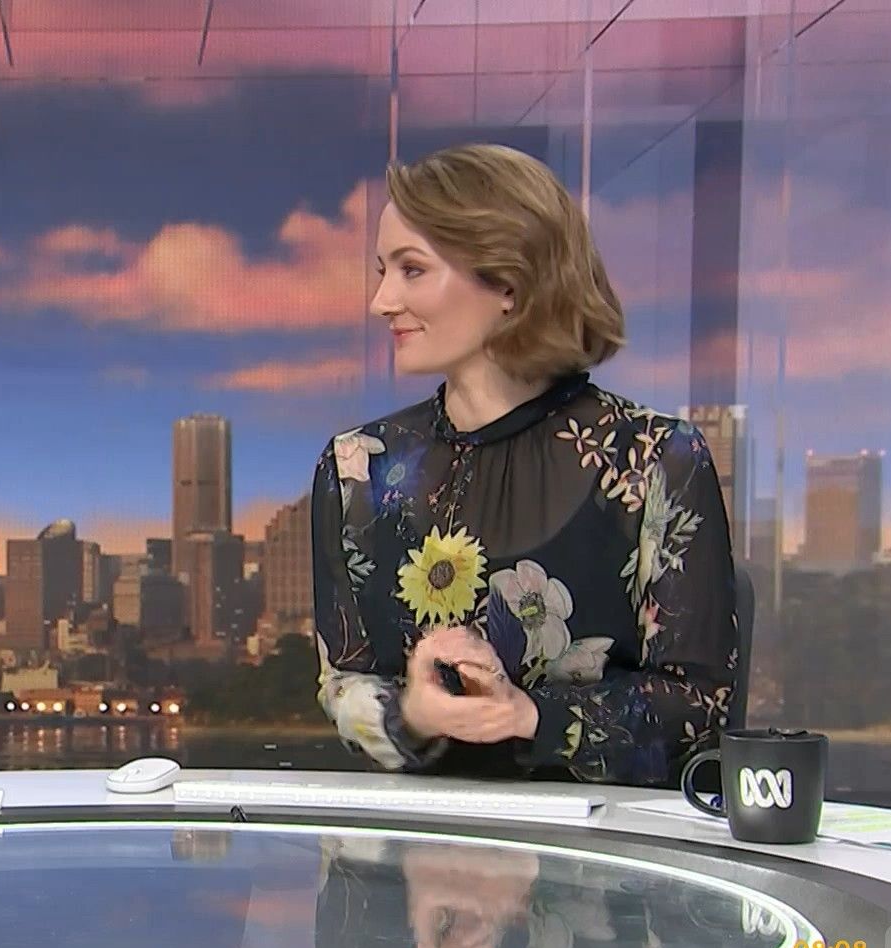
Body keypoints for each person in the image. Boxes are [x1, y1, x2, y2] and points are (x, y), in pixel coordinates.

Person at [311, 144, 737, 787]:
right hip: (413, 833)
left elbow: (700, 707)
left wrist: (530, 715)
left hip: (603, 839)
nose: (381, 301)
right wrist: (410, 715)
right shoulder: (356, 470)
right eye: (382, 271)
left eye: (411, 270)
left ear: (508, 283)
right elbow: (342, 681)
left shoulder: (655, 458)